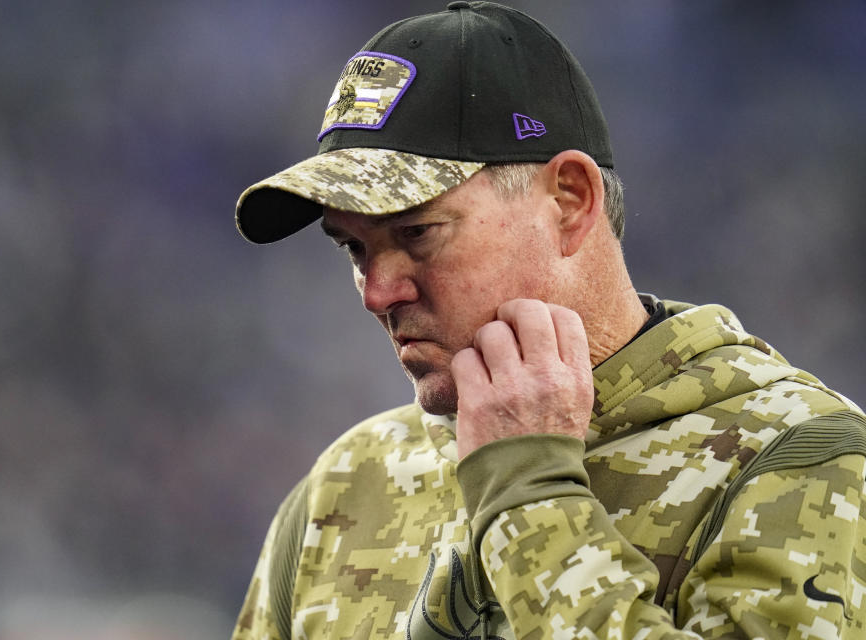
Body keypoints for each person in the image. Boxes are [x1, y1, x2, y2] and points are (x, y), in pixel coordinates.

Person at [231, 3, 866, 638]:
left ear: (569, 201)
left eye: (418, 232)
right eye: (355, 248)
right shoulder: (344, 486)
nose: (378, 293)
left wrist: (528, 492)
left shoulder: (802, 455)